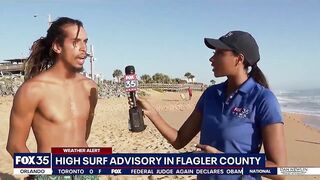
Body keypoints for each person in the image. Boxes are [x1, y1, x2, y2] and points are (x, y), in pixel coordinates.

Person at [131, 31, 287, 180]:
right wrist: (151, 112)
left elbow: (279, 170)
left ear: (239, 59)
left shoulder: (263, 99)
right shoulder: (210, 94)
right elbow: (179, 140)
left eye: (219, 53)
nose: (211, 59)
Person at [6, 17, 98, 179]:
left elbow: (83, 134)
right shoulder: (32, 90)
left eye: (85, 41)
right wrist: (39, 173)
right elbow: (14, 145)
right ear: (57, 46)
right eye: (76, 42)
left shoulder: (90, 88)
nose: (84, 48)